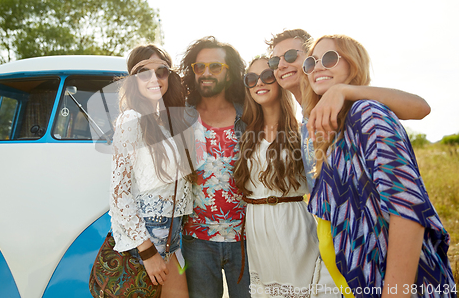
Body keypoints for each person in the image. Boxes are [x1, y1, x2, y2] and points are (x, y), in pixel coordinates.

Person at [302, 34, 456, 298]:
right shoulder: (335, 133)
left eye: (329, 58)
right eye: (311, 62)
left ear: (354, 66)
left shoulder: (368, 115)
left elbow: (407, 208)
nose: (317, 66)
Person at [266, 29, 431, 190]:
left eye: (290, 56)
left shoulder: (355, 107)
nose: (281, 65)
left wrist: (343, 91)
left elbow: (420, 107)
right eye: (274, 61)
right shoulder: (305, 120)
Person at [233, 57, 340, 298]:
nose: (259, 82)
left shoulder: (302, 130)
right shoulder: (245, 133)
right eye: (251, 79)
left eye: (267, 76)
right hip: (256, 226)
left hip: (292, 223)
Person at [110, 44, 195, 298]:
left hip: (173, 238)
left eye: (161, 71)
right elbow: (119, 196)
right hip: (146, 239)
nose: (154, 79)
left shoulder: (169, 121)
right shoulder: (131, 119)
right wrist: (148, 253)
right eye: (144, 73)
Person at [179, 36, 250, 298]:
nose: (206, 73)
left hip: (245, 237)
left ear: (230, 73)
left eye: (215, 67)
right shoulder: (183, 115)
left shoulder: (248, 114)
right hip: (196, 238)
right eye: (200, 67)